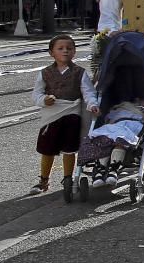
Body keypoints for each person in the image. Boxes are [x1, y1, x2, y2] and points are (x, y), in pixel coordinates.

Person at [31, 34, 100, 194]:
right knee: (47, 148)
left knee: (70, 148)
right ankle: (43, 180)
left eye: (69, 49)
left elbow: (88, 92)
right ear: (51, 53)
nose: (65, 51)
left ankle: (68, 178)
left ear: (74, 52)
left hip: (72, 113)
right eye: (60, 48)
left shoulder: (79, 73)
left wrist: (93, 105)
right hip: (51, 114)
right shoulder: (44, 73)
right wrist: (44, 99)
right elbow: (36, 94)